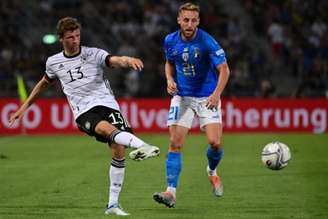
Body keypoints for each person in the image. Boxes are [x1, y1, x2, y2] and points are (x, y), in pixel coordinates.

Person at [9, 17, 160, 216]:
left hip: (107, 104)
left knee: (118, 148)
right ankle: (143, 146)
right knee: (105, 129)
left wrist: (127, 60)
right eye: (70, 37)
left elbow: (113, 60)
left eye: (77, 36)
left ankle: (112, 205)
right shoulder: (54, 62)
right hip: (83, 110)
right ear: (61, 39)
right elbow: (43, 84)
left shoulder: (93, 53)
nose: (75, 40)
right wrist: (24, 107)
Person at [153, 3, 230, 208]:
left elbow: (224, 69)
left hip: (207, 97)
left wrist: (216, 94)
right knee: (175, 143)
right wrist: (169, 79)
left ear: (198, 21)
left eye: (193, 20)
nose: (189, 24)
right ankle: (171, 192)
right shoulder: (170, 40)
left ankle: (212, 172)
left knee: (215, 143)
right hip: (182, 96)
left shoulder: (207, 41)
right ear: (179, 20)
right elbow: (169, 61)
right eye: (186, 20)